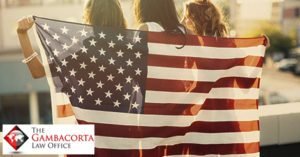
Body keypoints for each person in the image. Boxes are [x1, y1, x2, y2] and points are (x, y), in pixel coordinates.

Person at [17, 0, 127, 79]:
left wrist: (22, 35)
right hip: (124, 111)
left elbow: (38, 72)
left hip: (91, 112)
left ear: (89, 16)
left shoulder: (82, 49)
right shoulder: (133, 47)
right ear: (119, 15)